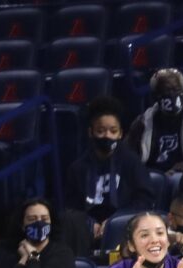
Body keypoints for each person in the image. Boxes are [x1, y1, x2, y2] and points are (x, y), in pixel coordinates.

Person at [66, 96, 154, 236]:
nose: (107, 136)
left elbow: (144, 200)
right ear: (91, 132)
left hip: (124, 224)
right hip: (88, 228)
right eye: (100, 131)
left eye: (113, 131)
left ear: (120, 134)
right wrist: (89, 223)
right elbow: (72, 207)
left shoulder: (132, 162)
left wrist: (116, 221)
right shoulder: (78, 168)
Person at [127, 68, 183, 174]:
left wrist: (178, 169)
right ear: (155, 96)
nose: (171, 95)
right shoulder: (142, 122)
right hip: (151, 174)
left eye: (175, 90)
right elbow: (128, 154)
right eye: (165, 91)